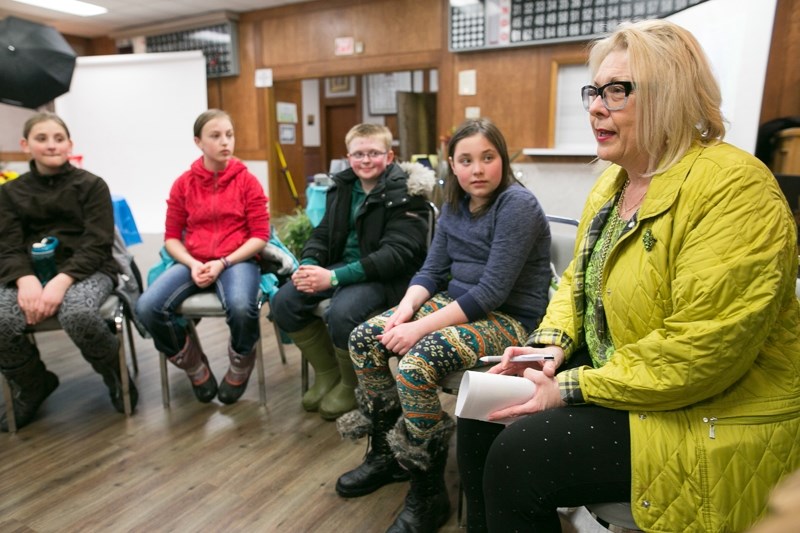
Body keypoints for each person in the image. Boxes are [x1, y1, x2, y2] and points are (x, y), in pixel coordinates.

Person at [456, 20, 800, 533]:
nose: (595, 106)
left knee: (519, 459)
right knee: (483, 411)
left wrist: (569, 385)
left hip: (713, 407)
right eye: (595, 90)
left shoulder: (736, 188)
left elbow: (701, 352)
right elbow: (576, 282)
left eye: (617, 91)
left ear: (672, 94)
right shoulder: (614, 184)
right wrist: (549, 345)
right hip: (631, 377)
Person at [336, 118, 552, 532]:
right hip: (456, 302)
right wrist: (404, 310)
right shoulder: (454, 204)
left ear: (501, 160)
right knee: (365, 338)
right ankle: (386, 455)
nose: (477, 169)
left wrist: (418, 329)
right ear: (452, 164)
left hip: (509, 318)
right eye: (466, 160)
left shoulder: (517, 205)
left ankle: (427, 489)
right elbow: (432, 270)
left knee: (417, 364)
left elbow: (490, 292)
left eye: (487, 158)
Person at [271, 123, 434, 420]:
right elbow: (322, 233)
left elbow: (395, 256)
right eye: (359, 154)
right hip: (343, 269)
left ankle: (350, 384)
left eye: (374, 153)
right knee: (284, 301)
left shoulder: (408, 193)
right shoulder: (343, 186)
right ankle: (328, 373)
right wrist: (309, 264)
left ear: (389, 156)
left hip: (390, 278)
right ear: (348, 157)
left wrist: (332, 277)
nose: (366, 160)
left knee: (342, 312)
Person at [0, 112, 138, 431]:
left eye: (58, 139)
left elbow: (97, 244)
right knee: (2, 318)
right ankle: (33, 383)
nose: (51, 145)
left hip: (88, 271)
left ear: (70, 145)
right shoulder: (9, 194)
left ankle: (116, 376)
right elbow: (6, 246)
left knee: (77, 314)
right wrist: (26, 280)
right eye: (42, 139)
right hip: (29, 274)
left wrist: (61, 282)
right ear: (25, 145)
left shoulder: (91, 186)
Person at [136, 109, 269, 405]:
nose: (225, 142)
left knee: (240, 305)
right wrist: (193, 263)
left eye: (229, 135)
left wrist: (223, 262)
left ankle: (241, 362)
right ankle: (194, 364)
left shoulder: (247, 181)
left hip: (236, 260)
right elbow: (171, 237)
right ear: (198, 142)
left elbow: (260, 236)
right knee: (147, 307)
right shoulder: (184, 183)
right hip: (194, 260)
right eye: (216, 136)